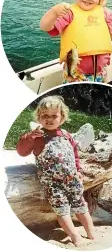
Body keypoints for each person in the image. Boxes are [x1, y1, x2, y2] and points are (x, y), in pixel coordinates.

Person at [16, 95, 95, 247]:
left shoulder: (66, 135)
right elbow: (21, 151)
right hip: (53, 184)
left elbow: (74, 154)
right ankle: (75, 236)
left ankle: (91, 232)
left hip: (72, 179)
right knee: (62, 210)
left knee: (81, 206)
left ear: (62, 117)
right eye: (45, 116)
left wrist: (78, 170)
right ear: (39, 117)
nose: (49, 119)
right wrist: (30, 137)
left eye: (54, 116)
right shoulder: (38, 137)